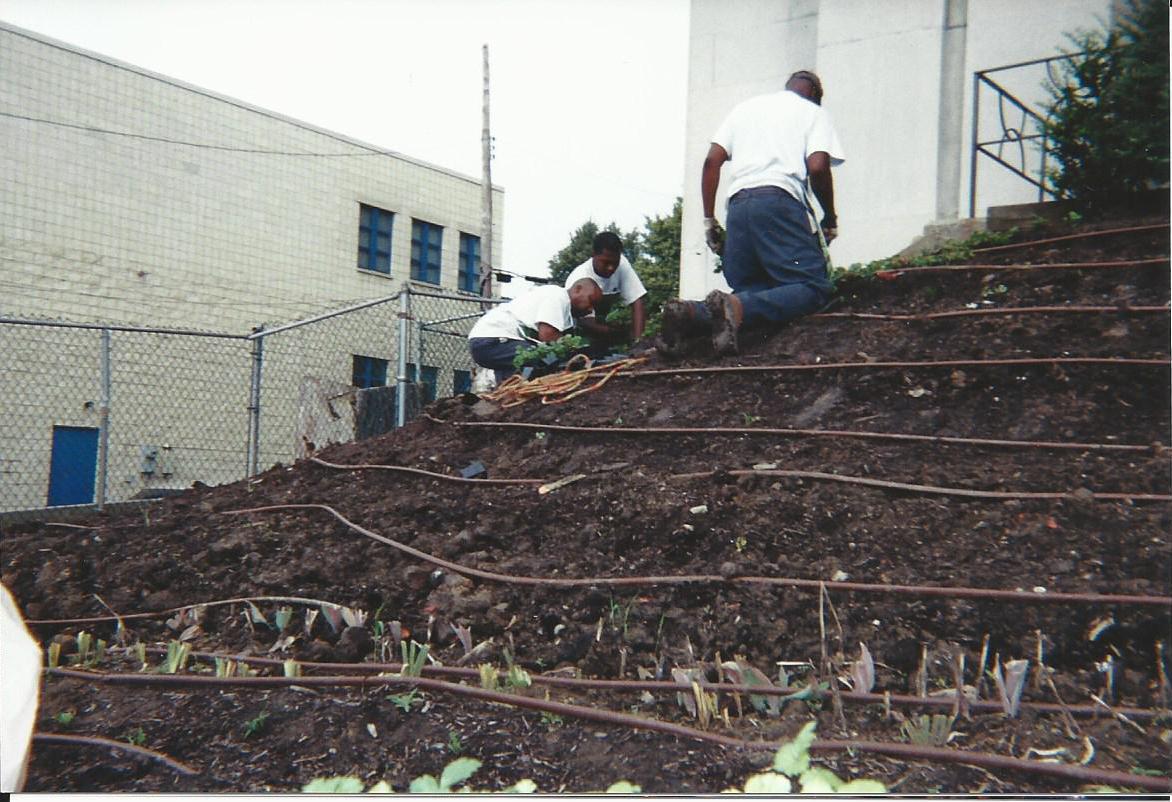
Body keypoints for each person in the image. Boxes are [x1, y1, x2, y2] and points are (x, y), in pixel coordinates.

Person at [661, 70, 845, 357]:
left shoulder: (744, 110)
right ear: (814, 95)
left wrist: (710, 221)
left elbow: (712, 162)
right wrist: (830, 218)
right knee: (813, 287)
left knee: (754, 288)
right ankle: (736, 308)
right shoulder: (813, 112)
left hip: (737, 207)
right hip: (778, 201)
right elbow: (819, 167)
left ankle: (690, 314)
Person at [468, 278, 602, 385]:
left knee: (512, 381)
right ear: (577, 289)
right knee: (545, 360)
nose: (591, 309)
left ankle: (502, 393)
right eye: (590, 301)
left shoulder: (565, 310)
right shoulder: (557, 296)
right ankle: (493, 382)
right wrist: (574, 354)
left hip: (488, 340)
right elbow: (548, 336)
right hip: (494, 339)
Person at [563, 231, 648, 343]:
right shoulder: (578, 279)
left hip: (603, 326)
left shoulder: (622, 264)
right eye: (606, 262)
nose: (611, 268)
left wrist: (638, 341)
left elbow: (637, 301)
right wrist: (619, 334)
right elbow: (586, 323)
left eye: (615, 263)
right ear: (593, 254)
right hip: (580, 333)